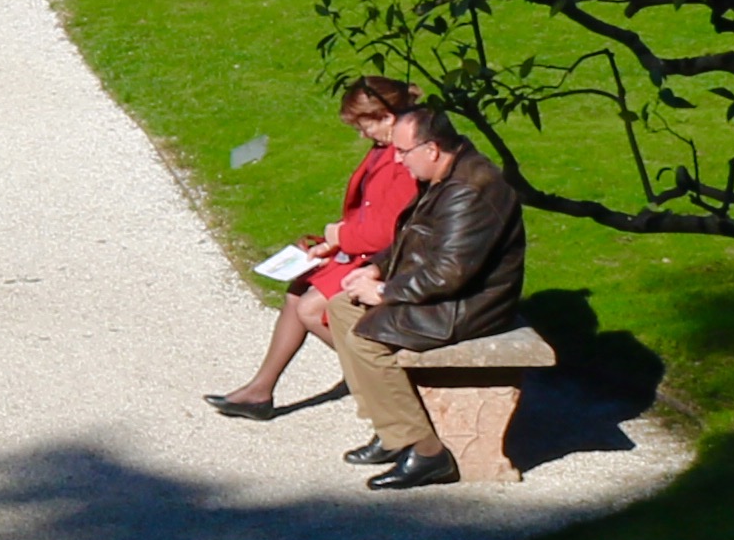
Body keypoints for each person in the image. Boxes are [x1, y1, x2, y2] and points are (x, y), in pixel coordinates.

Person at [311, 90, 528, 493]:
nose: (397, 160)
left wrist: (385, 292)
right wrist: (376, 266)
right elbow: (412, 236)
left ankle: (426, 452)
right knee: (342, 308)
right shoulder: (444, 173)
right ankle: (391, 430)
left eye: (403, 152)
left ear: (431, 149)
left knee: (366, 337)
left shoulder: (469, 191)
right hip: (446, 293)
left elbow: (448, 274)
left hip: (469, 305)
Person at [203, 80, 420, 420]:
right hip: (364, 250)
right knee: (298, 289)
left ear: (387, 117)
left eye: (363, 125)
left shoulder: (403, 159)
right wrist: (332, 242)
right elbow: (371, 211)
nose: (361, 133)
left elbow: (387, 232)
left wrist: (340, 236)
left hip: (387, 259)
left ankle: (383, 379)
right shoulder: (385, 147)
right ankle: (259, 391)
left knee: (311, 307)